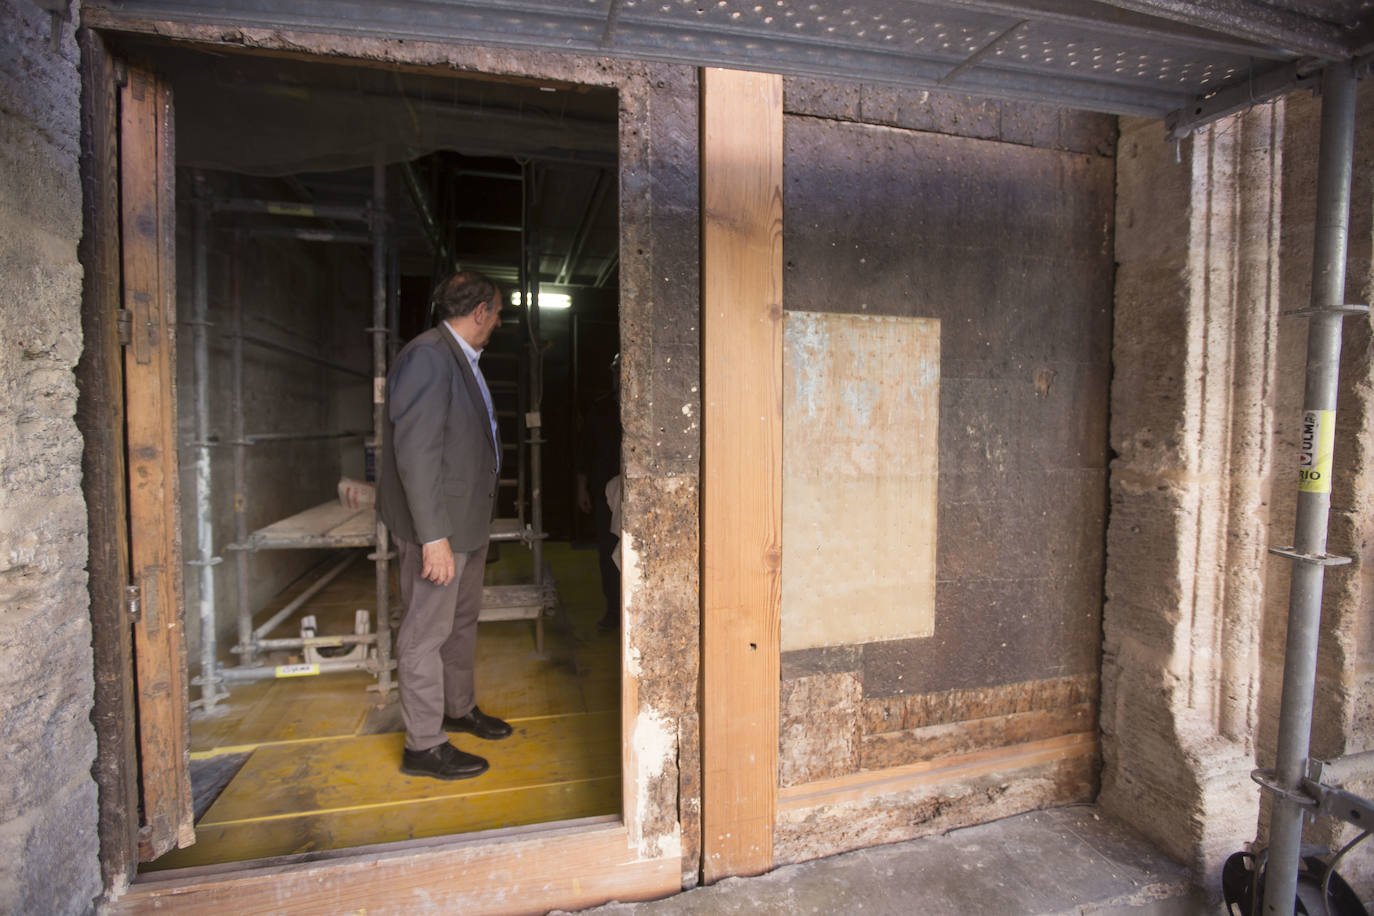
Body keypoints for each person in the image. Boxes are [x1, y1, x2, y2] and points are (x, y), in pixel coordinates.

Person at [377, 270, 513, 780]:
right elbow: (415, 454)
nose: (497, 322)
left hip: (464, 526)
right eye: (496, 312)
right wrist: (435, 539)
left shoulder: (459, 358)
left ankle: (457, 709)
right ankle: (424, 745)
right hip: (438, 531)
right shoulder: (429, 357)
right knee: (424, 636)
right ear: (479, 311)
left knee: (459, 624)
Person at [576, 353, 622, 632]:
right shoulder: (600, 408)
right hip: (604, 493)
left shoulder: (643, 407)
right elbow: (585, 451)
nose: (618, 377)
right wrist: (582, 487)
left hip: (632, 494)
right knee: (607, 551)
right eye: (616, 372)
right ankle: (613, 611)